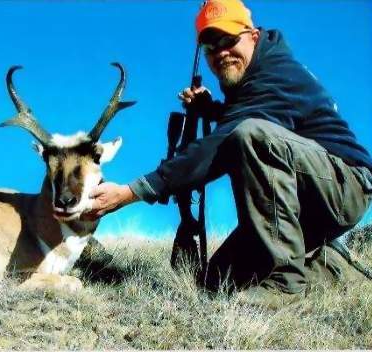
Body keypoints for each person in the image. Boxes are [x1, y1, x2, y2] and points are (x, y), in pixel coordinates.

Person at [84, 0, 372, 308]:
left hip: (344, 186)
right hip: (301, 197)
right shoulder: (253, 79)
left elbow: (234, 137)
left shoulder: (275, 71)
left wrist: (132, 191)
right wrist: (212, 110)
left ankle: (286, 282)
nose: (220, 52)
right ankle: (333, 268)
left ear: (254, 36)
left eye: (228, 40)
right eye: (210, 46)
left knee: (252, 135)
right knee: (215, 282)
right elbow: (250, 122)